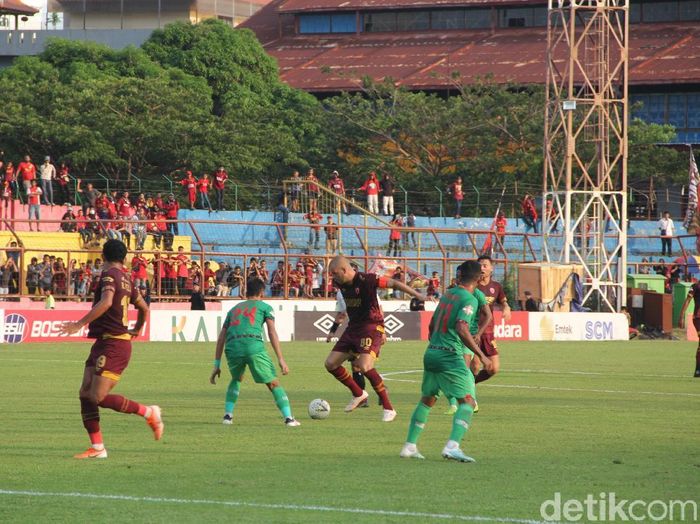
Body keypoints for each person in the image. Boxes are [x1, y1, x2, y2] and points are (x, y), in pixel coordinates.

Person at [59, 239, 163, 459]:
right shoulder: (127, 279)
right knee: (85, 394)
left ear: (103, 256)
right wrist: (138, 328)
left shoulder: (109, 276)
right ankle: (98, 448)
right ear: (124, 258)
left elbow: (106, 302)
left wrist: (78, 324)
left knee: (96, 396)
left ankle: (149, 412)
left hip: (115, 344)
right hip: (105, 342)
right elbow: (144, 308)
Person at [399, 260, 493, 462]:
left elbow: (432, 325)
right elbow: (461, 327)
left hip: (431, 352)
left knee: (428, 399)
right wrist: (482, 355)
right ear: (478, 278)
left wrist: (435, 344)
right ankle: (453, 446)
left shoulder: (448, 294)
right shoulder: (470, 299)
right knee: (468, 402)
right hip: (449, 355)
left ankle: (409, 446)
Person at [323, 256, 430, 422]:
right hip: (353, 328)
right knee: (330, 364)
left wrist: (417, 295)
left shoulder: (367, 280)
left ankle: (389, 408)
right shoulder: (340, 284)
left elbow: (394, 284)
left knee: (364, 366)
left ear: (344, 270)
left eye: (335, 273)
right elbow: (342, 312)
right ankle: (359, 393)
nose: (333, 277)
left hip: (371, 327)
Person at [210, 278, 301, 427]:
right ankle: (289, 419)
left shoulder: (233, 310)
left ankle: (228, 416)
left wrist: (216, 364)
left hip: (232, 346)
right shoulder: (265, 307)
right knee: (273, 382)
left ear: (246, 292)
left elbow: (221, 337)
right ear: (261, 292)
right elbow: (272, 332)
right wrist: (280, 359)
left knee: (237, 378)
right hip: (253, 345)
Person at [472, 254, 511, 384]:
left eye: (485, 265)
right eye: (479, 266)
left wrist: (506, 307)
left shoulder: (497, 286)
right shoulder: (472, 286)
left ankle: (470, 385)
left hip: (488, 333)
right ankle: (467, 393)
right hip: (473, 331)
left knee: (493, 368)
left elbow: (503, 301)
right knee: (475, 366)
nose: (482, 268)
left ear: (491, 268)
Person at [677, 283, 700, 377]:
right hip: (698, 318)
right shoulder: (696, 286)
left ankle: (698, 369)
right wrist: (681, 316)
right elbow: (688, 300)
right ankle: (698, 369)